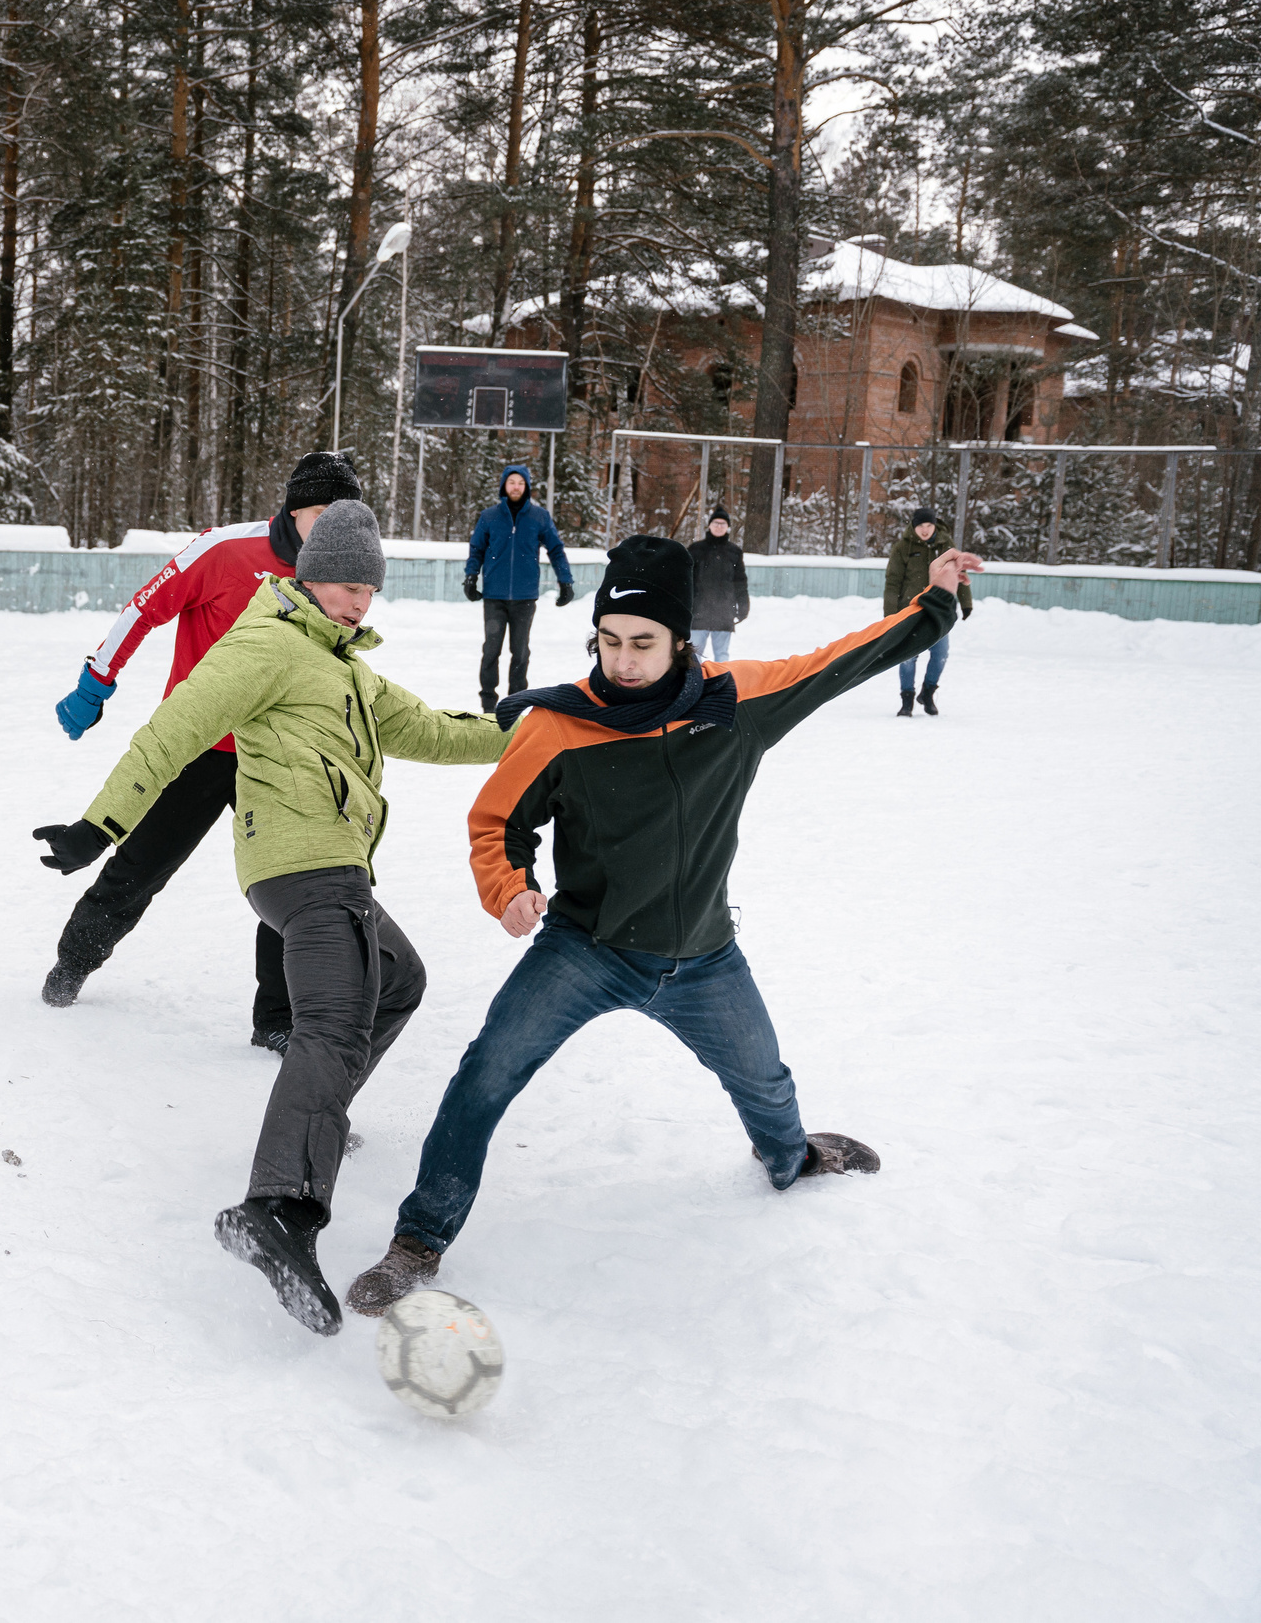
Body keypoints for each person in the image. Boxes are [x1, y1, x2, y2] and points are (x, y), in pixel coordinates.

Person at [343, 533, 984, 1317]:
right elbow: (495, 823)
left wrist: (936, 599)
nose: (624, 660)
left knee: (765, 1082)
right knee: (483, 1078)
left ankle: (791, 1158)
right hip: (585, 951)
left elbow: (839, 662)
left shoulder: (737, 701)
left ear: (681, 640)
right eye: (609, 641)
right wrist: (508, 887)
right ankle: (419, 1242)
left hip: (704, 957)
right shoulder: (557, 726)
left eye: (643, 643)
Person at [33, 501, 507, 1335]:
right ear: (306, 574)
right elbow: (174, 730)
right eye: (343, 584)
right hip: (303, 863)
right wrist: (98, 825)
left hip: (333, 867)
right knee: (330, 1019)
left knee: (398, 981)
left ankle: (316, 1115)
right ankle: (279, 1208)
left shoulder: (349, 669)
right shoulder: (266, 642)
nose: (358, 601)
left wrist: (536, 726)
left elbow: (436, 731)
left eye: (368, 588)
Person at [39, 451, 364, 1051]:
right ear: (295, 509)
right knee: (140, 867)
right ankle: (72, 965)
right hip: (201, 746)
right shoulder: (224, 550)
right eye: (324, 513)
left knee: (291, 881)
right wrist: (97, 681)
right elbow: (144, 608)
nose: (335, 530)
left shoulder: (339, 575)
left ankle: (278, 1020)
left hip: (279, 752)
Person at [463, 461, 576, 710]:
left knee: (520, 651)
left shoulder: (539, 517)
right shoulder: (489, 516)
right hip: (495, 596)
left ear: (527, 487)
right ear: (504, 485)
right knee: (491, 649)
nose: (516, 486)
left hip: (525, 597)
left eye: (521, 482)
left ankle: (515, 702)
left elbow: (556, 549)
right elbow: (476, 549)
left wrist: (565, 581)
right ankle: (488, 704)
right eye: (512, 482)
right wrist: (471, 576)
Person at [884, 507, 972, 716]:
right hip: (910, 610)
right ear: (914, 527)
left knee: (940, 654)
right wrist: (890, 614)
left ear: (935, 526)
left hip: (939, 610)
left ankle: (928, 692)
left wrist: (966, 602)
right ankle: (907, 700)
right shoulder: (902, 548)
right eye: (921, 526)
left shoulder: (946, 547)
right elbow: (893, 582)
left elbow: (960, 574)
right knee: (908, 656)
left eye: (929, 525)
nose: (925, 530)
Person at [689, 506, 750, 662]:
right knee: (694, 656)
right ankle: (693, 684)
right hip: (698, 612)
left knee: (722, 656)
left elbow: (740, 582)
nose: (719, 526)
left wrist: (743, 605)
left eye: (723, 524)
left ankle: (721, 684)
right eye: (716, 523)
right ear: (709, 525)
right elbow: (686, 579)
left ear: (728, 527)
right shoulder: (695, 550)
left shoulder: (734, 552)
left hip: (723, 613)